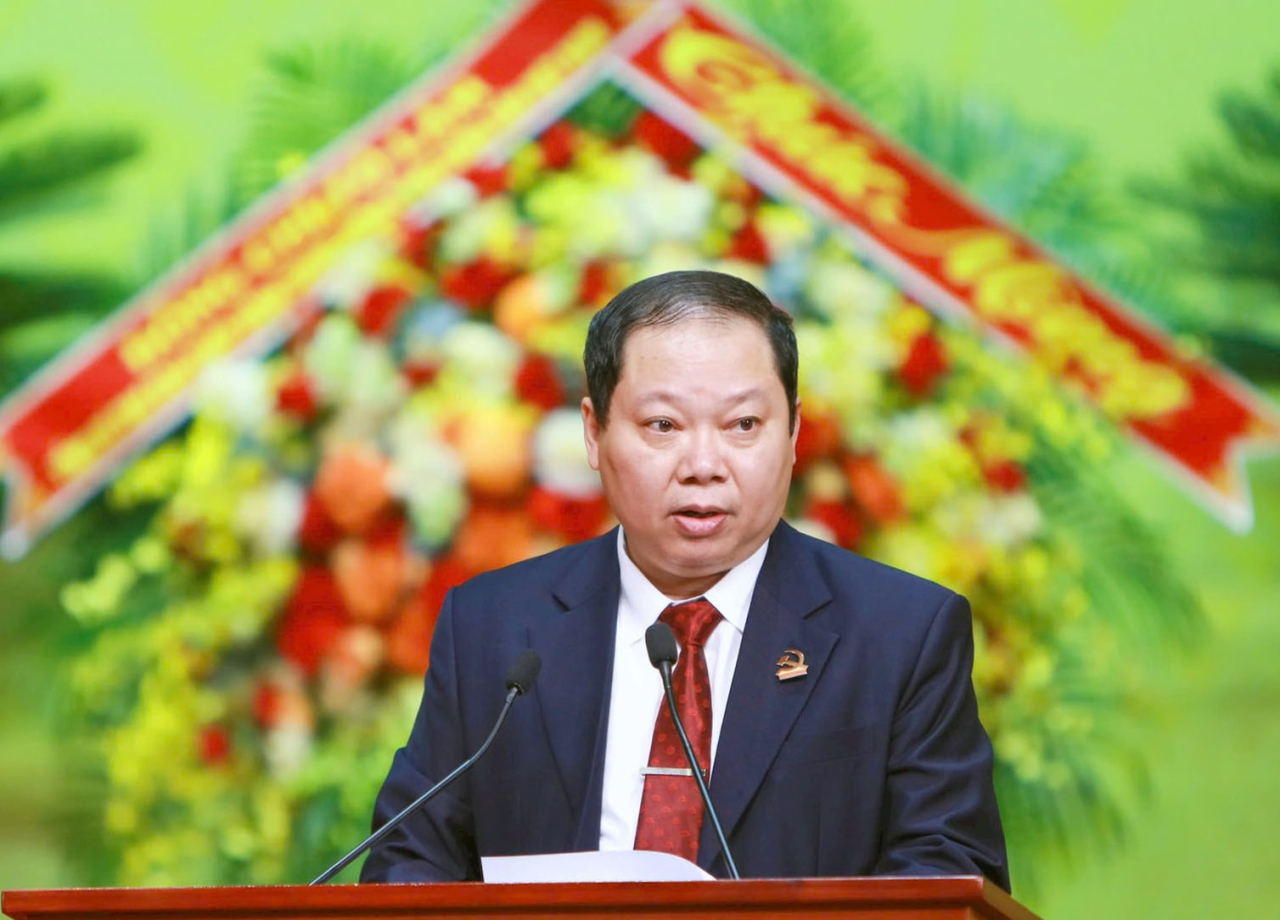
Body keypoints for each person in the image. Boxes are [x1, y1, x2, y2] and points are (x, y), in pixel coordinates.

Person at [359, 270, 1009, 887]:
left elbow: (946, 873)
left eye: (743, 425)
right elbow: (410, 858)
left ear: (793, 433)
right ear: (594, 433)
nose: (703, 464)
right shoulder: (495, 627)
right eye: (663, 425)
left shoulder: (901, 635)